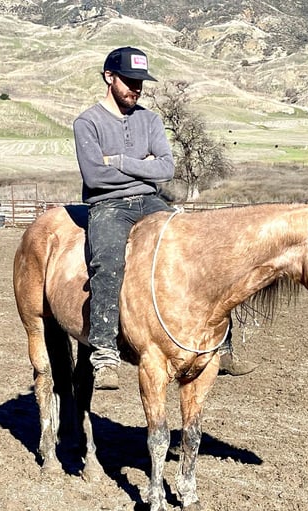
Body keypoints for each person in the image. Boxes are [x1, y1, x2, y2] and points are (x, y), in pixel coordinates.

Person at [73, 46, 255, 390]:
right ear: (108, 78)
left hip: (150, 201)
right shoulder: (88, 122)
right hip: (108, 206)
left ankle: (223, 344)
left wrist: (121, 161)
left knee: (198, 250)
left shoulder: (150, 120)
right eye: (129, 81)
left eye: (141, 82)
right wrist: (142, 168)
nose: (136, 89)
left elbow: (166, 169)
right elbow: (95, 177)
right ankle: (104, 354)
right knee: (108, 262)